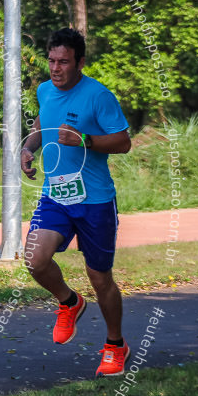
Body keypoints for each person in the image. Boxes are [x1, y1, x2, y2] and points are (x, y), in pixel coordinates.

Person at [20, 27, 132, 376]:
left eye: (64, 62)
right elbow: (43, 122)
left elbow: (123, 142)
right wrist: (27, 147)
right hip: (56, 194)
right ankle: (70, 302)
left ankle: (115, 344)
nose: (56, 68)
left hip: (95, 201)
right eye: (52, 61)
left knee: (100, 279)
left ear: (80, 62)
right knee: (35, 260)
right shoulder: (44, 90)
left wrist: (85, 139)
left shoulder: (98, 96)